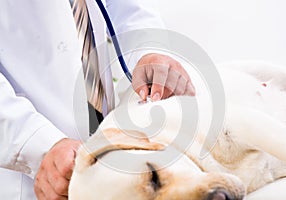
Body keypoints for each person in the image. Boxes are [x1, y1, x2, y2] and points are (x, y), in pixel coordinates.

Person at [0, 0, 195, 199]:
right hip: (29, 170)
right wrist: (35, 142)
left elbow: (127, 6)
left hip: (108, 153)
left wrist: (148, 50)